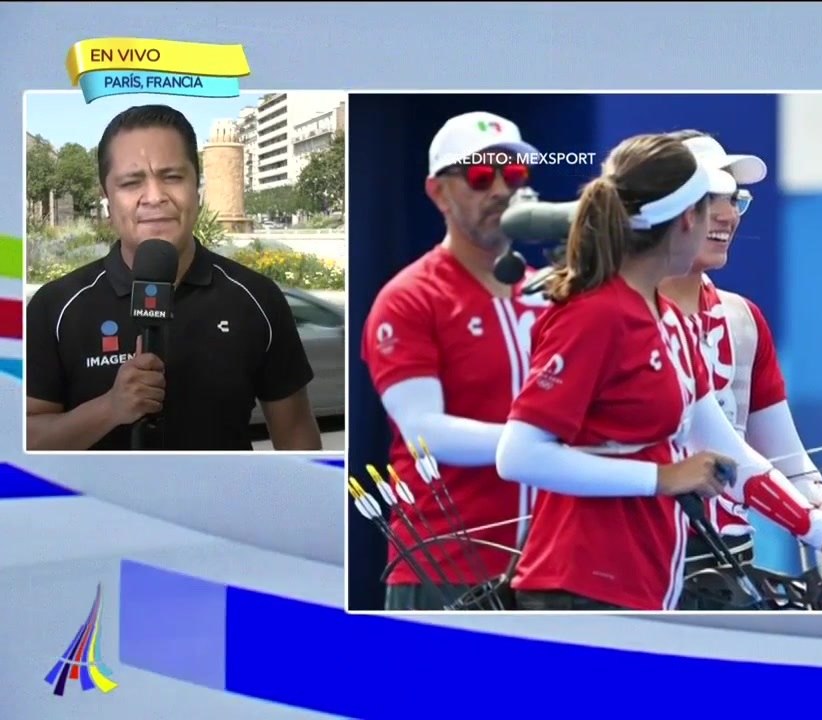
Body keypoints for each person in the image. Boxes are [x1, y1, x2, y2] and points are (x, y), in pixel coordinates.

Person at [494, 132, 822, 611]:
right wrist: (662, 477)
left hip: (642, 590)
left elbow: (729, 456)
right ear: (687, 219)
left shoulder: (666, 319)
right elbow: (519, 454)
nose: (728, 216)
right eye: (712, 203)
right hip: (579, 590)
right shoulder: (597, 314)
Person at [25, 104, 321, 452]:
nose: (154, 197)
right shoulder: (55, 306)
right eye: (131, 182)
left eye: (172, 177)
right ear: (107, 198)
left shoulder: (257, 299)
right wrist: (110, 408)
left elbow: (297, 433)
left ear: (197, 187)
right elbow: (25, 438)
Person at [361, 110, 551, 610]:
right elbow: (426, 433)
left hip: (546, 571)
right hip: (444, 569)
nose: (500, 191)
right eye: (480, 176)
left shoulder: (549, 291)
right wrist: (547, 448)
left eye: (512, 175)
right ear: (438, 192)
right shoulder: (409, 298)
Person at [657, 131, 822, 608]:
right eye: (707, 199)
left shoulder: (743, 318)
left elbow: (786, 460)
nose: (726, 215)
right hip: (640, 562)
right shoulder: (611, 315)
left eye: (734, 200)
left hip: (731, 567)